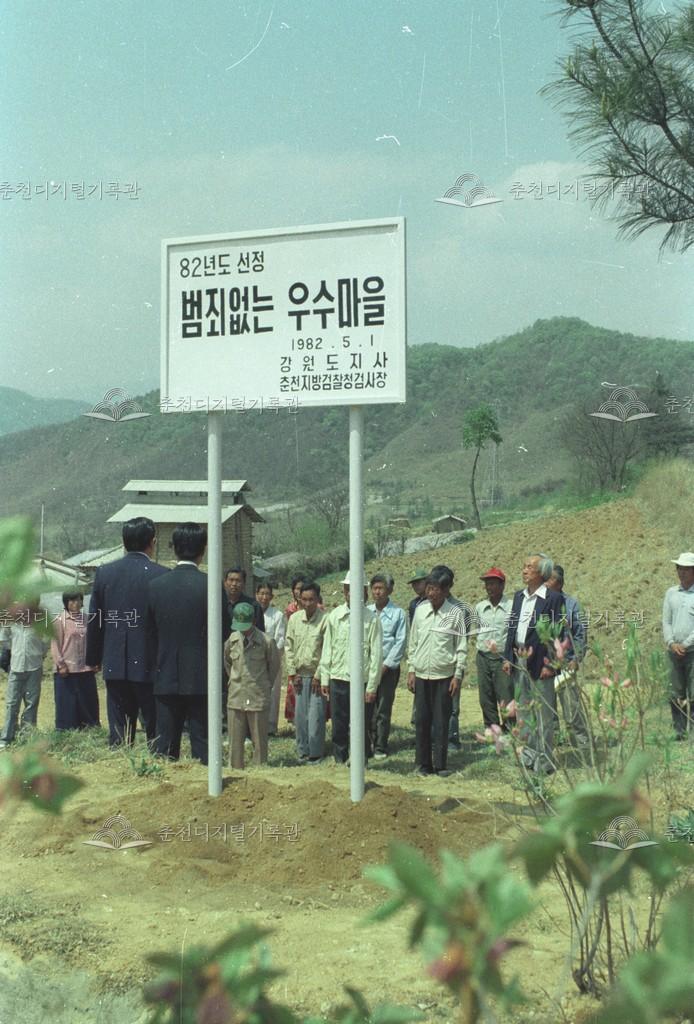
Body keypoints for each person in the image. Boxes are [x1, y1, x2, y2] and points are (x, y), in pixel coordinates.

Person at [86, 516, 169, 747]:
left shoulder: (105, 572)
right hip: (149, 662)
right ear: (152, 542)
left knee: (119, 726)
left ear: (123, 542)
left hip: (115, 661)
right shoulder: (161, 574)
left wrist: (93, 657)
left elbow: (95, 619)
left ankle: (121, 760)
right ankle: (155, 759)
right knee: (153, 722)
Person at [146, 523, 212, 764]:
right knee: (203, 742)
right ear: (203, 549)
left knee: (165, 745)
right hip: (202, 675)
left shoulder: (156, 587)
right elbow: (224, 630)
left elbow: (148, 634)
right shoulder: (211, 586)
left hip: (165, 674)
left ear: (174, 549)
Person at [502, 553, 565, 773]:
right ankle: (529, 754)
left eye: (529, 567)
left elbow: (557, 634)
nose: (524, 570)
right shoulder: (519, 597)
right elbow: (512, 628)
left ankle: (545, 760)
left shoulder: (552, 599)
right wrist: (508, 657)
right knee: (524, 710)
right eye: (524, 566)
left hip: (541, 662)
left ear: (542, 573)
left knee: (544, 714)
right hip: (520, 660)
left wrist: (552, 664)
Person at [407, 568, 467, 777]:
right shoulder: (421, 610)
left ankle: (440, 765)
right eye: (429, 588)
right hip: (422, 675)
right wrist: (412, 670)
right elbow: (413, 642)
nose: (430, 593)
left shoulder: (456, 613)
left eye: (435, 589)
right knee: (422, 721)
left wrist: (457, 675)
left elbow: (461, 647)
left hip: (445, 677)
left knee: (442, 721)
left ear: (446, 590)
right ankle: (423, 764)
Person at [319, 572, 382, 764]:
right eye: (348, 589)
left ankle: (360, 760)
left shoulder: (372, 620)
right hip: (338, 678)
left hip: (361, 681)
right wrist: (324, 678)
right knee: (339, 723)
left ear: (365, 592)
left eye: (356, 590)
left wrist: (371, 686)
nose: (351, 593)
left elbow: (376, 656)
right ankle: (340, 758)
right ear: (344, 591)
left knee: (361, 723)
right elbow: (327, 648)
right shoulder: (335, 616)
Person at [224, 602, 281, 769]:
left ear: (254, 622)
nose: (242, 630)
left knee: (259, 740)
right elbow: (228, 663)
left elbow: (274, 667)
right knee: (235, 740)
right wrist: (235, 681)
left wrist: (262, 685)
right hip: (236, 696)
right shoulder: (232, 640)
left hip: (257, 697)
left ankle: (260, 770)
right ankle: (236, 770)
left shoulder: (266, 642)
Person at [430, 564, 473, 750]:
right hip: (432, 665)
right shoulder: (426, 605)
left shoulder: (461, 609)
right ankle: (434, 739)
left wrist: (458, 669)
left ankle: (452, 739)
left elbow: (463, 640)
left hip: (452, 664)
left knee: (452, 706)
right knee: (431, 705)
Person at [546, 564, 590, 746]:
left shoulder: (571, 605)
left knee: (572, 708)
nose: (546, 584)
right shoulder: (540, 603)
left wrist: (576, 658)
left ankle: (582, 743)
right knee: (548, 708)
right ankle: (555, 742)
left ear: (560, 583)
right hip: (545, 663)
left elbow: (580, 634)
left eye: (550, 580)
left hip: (566, 664)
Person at [285, 581, 328, 763]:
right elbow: (289, 647)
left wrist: (320, 674)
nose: (308, 603)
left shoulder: (325, 619)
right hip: (299, 677)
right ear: (299, 599)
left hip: (317, 677)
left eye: (311, 599)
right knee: (300, 718)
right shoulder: (294, 619)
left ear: (317, 599)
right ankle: (302, 751)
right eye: (304, 599)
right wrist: (292, 673)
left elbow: (327, 650)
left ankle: (316, 753)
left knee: (316, 717)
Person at [367, 573, 407, 759]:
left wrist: (385, 665)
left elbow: (400, 643)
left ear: (389, 590)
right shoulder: (366, 612)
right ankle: (367, 744)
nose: (377, 592)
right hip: (368, 668)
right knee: (367, 706)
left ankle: (381, 746)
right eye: (374, 588)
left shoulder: (398, 613)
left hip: (388, 670)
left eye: (381, 588)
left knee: (383, 707)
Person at [0, 606, 49, 748]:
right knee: (12, 702)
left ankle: (27, 738)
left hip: (34, 666)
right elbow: (4, 638)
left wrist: (39, 654)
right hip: (16, 666)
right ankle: (6, 738)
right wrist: (14, 651)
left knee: (31, 703)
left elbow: (46, 641)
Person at [51, 592, 100, 731]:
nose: (75, 604)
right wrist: (61, 665)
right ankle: (66, 731)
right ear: (65, 603)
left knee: (87, 702)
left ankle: (90, 729)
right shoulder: (60, 620)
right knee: (67, 703)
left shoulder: (87, 619)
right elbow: (55, 644)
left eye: (78, 600)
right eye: (71, 601)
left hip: (85, 668)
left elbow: (92, 642)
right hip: (67, 669)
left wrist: (95, 661)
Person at [474, 568, 513, 729]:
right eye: (487, 584)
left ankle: (511, 729)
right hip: (483, 657)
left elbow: (513, 635)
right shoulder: (480, 607)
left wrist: (510, 658)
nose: (489, 587)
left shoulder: (511, 607)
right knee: (485, 696)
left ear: (502, 585)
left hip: (502, 658)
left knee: (505, 695)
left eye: (493, 584)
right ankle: (492, 728)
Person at [662, 551, 694, 740]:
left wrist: (686, 644)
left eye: (686, 569)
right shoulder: (671, 593)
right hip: (674, 652)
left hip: (692, 652)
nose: (681, 572)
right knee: (675, 693)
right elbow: (666, 621)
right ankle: (679, 731)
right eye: (679, 568)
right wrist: (672, 642)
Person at [255, 582, 286, 735]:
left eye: (267, 594)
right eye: (261, 593)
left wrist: (271, 656)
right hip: (255, 660)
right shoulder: (253, 612)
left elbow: (280, 639)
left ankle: (271, 727)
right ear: (256, 595)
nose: (264, 597)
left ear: (272, 597)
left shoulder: (278, 615)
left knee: (273, 692)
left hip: (272, 659)